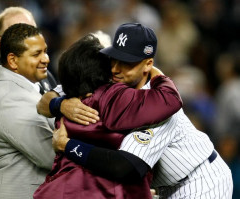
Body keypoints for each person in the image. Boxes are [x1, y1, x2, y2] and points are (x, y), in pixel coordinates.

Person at [39, 23, 233, 198]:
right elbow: (44, 102)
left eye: (127, 63)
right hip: (164, 186)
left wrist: (67, 145)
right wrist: (61, 104)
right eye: (114, 58)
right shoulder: (108, 79)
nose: (116, 69)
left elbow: (124, 167)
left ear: (148, 64)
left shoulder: (155, 106)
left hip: (199, 180)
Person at [34, 29, 183, 198]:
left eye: (126, 62)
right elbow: (170, 98)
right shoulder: (112, 95)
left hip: (58, 189)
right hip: (103, 191)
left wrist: (59, 107)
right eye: (112, 62)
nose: (115, 69)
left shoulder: (71, 93)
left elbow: (43, 104)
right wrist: (156, 74)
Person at [0, 7, 57, 199]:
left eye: (33, 31)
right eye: (18, 33)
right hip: (11, 187)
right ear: (1, 43)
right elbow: (46, 152)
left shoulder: (45, 74)